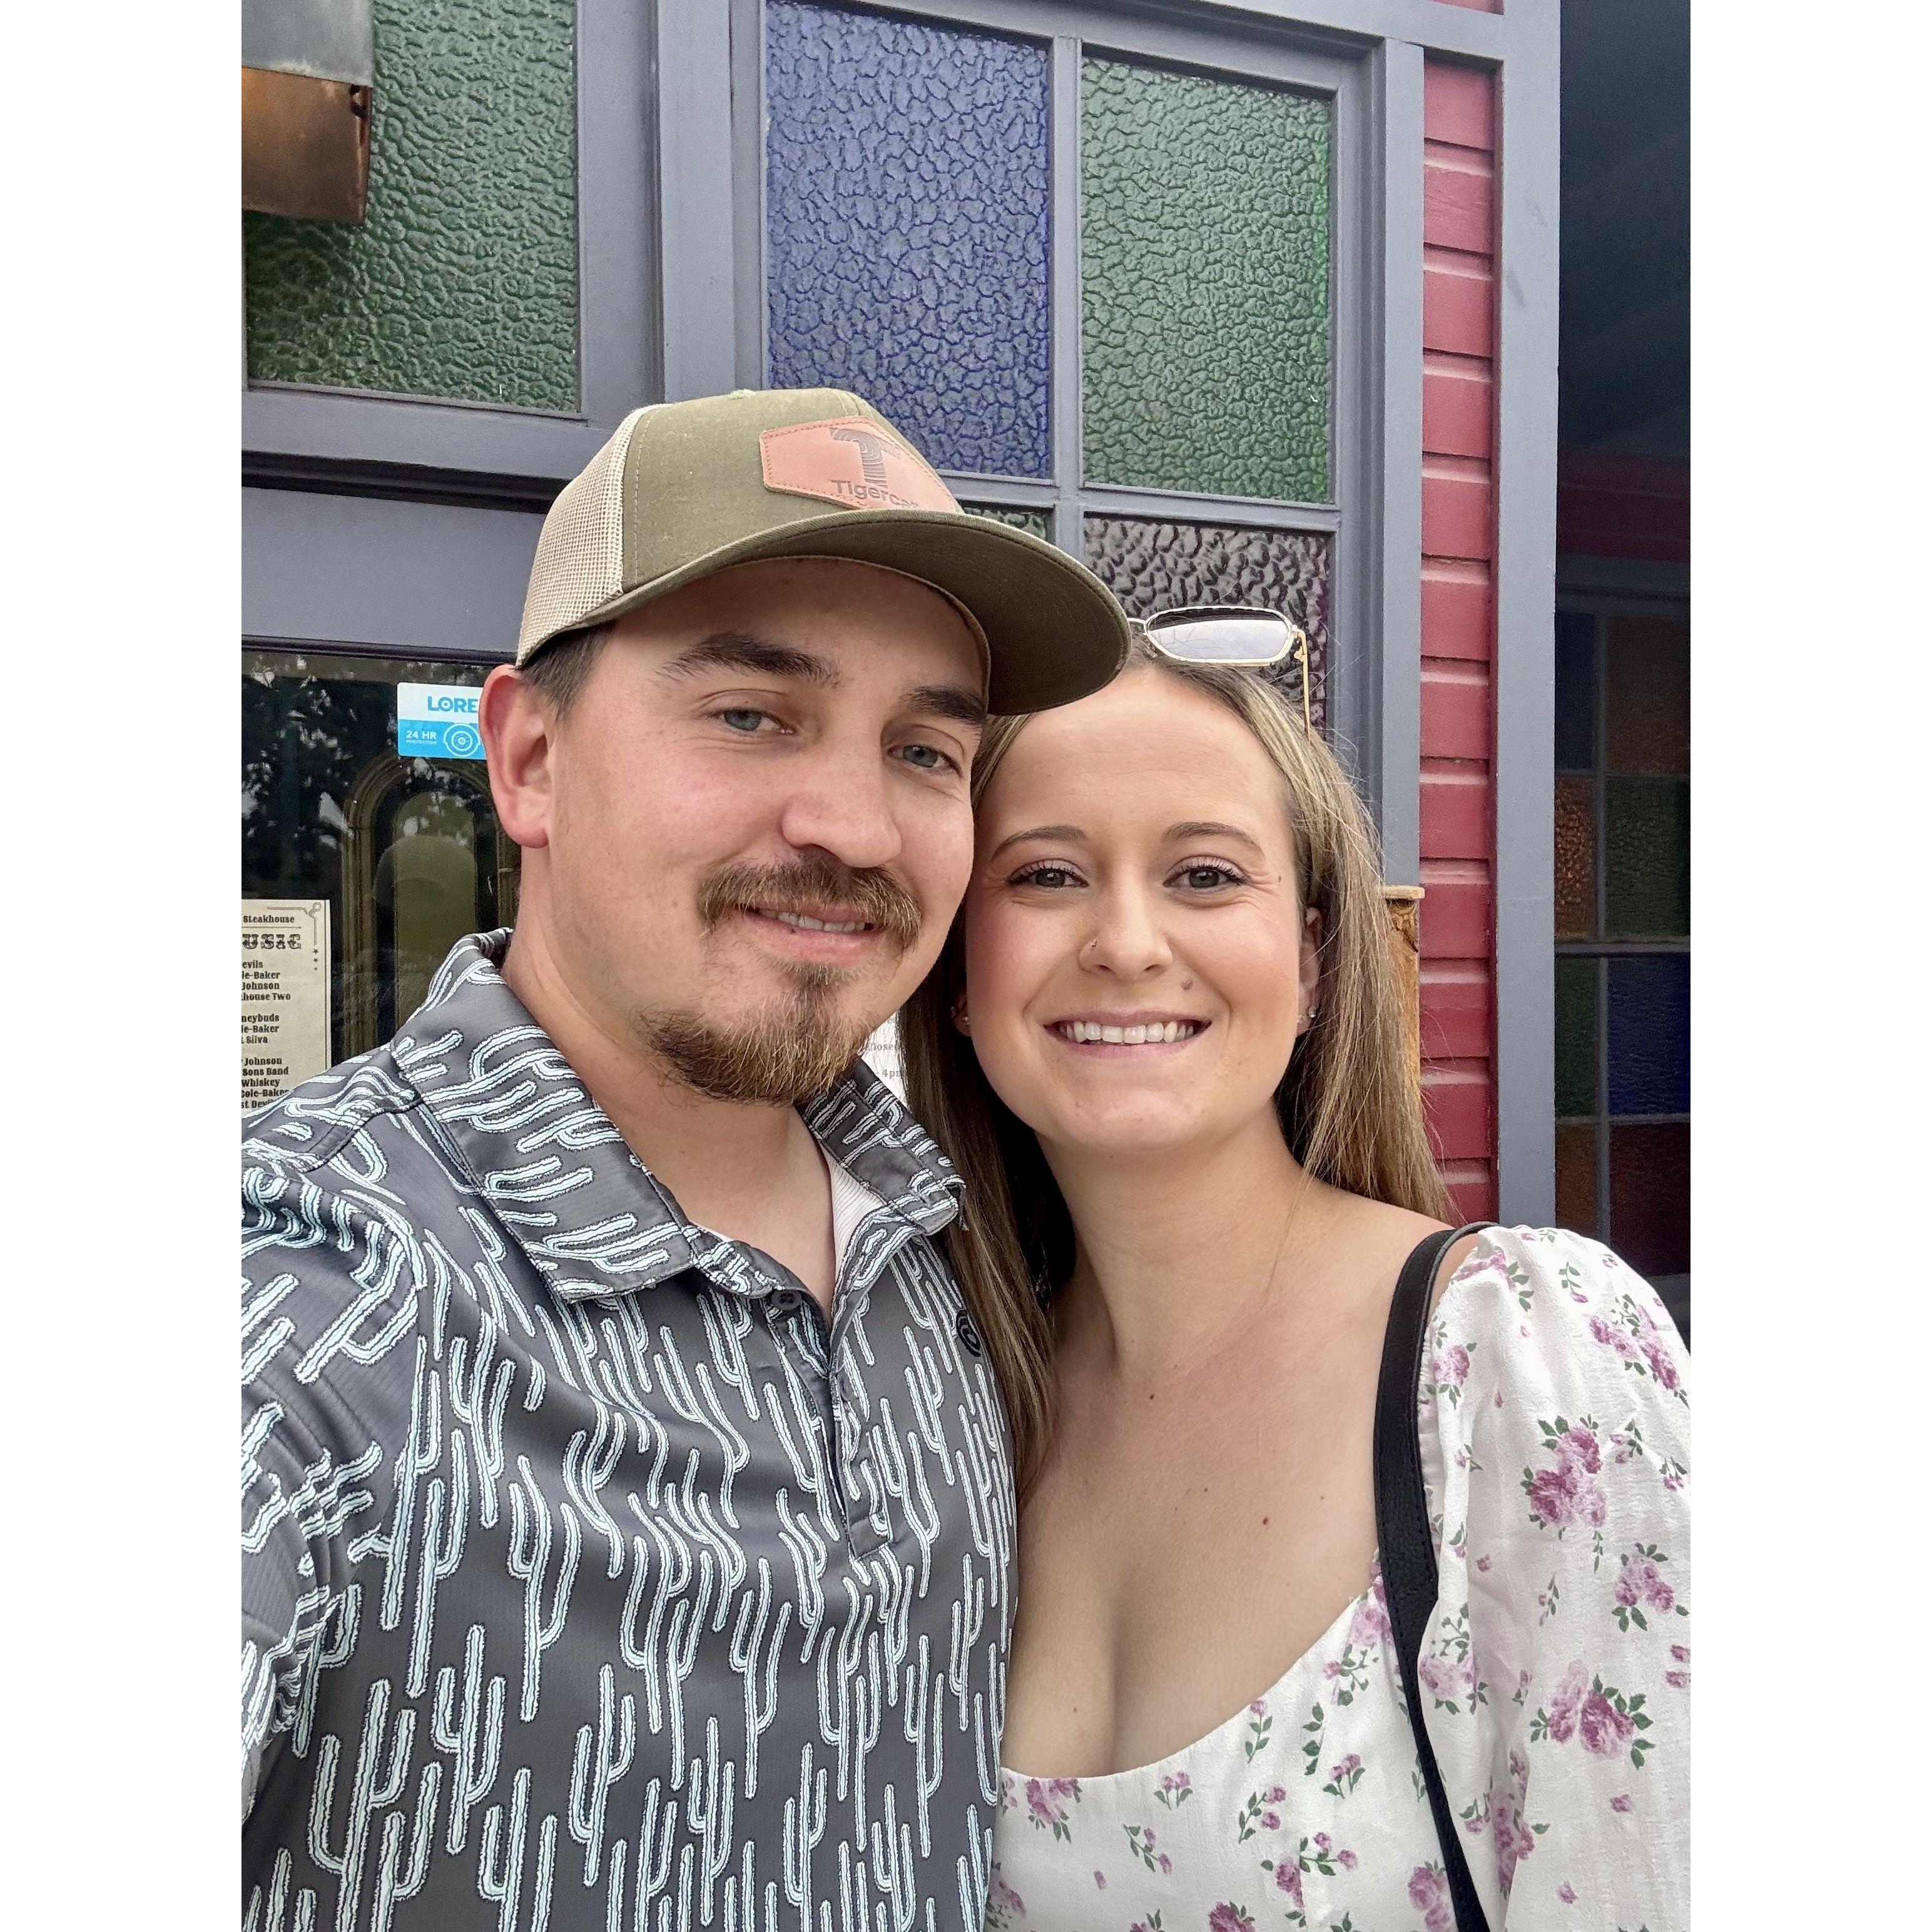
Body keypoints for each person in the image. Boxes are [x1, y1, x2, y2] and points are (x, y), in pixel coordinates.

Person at [240, 387, 1132, 1930]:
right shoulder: (300, 1287)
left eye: (925, 750)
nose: (854, 825)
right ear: (528, 759)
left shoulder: (956, 1244)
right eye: (750, 715)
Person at [898, 619, 1691, 1931]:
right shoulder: (945, 1403)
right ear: (956, 978)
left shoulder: (1516, 1365)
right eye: (1044, 874)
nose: (1127, 941)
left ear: (1314, 959)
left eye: (1205, 874)